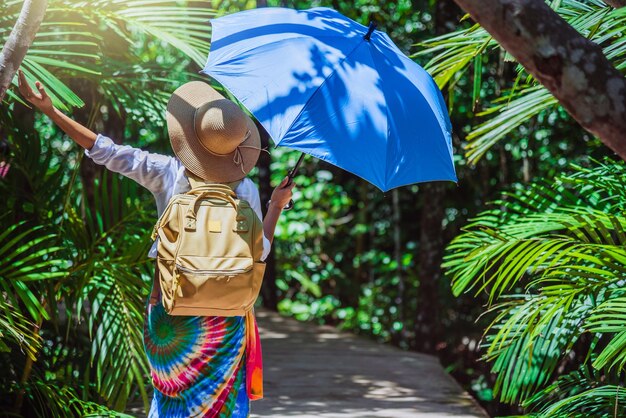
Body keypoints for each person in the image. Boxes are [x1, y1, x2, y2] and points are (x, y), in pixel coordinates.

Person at [17, 70, 295, 417]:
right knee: (217, 404)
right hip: (225, 318)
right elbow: (261, 252)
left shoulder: (167, 173)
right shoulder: (246, 190)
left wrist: (50, 111)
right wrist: (276, 207)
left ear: (192, 139)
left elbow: (105, 150)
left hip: (171, 309)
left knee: (171, 400)